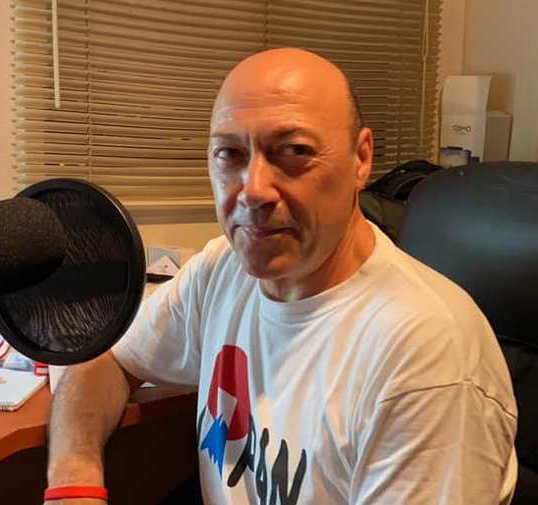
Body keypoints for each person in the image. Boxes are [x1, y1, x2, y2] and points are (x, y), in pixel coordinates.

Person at [45, 48, 518, 504]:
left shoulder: (427, 359)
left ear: (361, 159)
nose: (253, 191)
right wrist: (74, 484)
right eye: (229, 154)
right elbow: (106, 360)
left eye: (294, 151)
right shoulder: (222, 269)